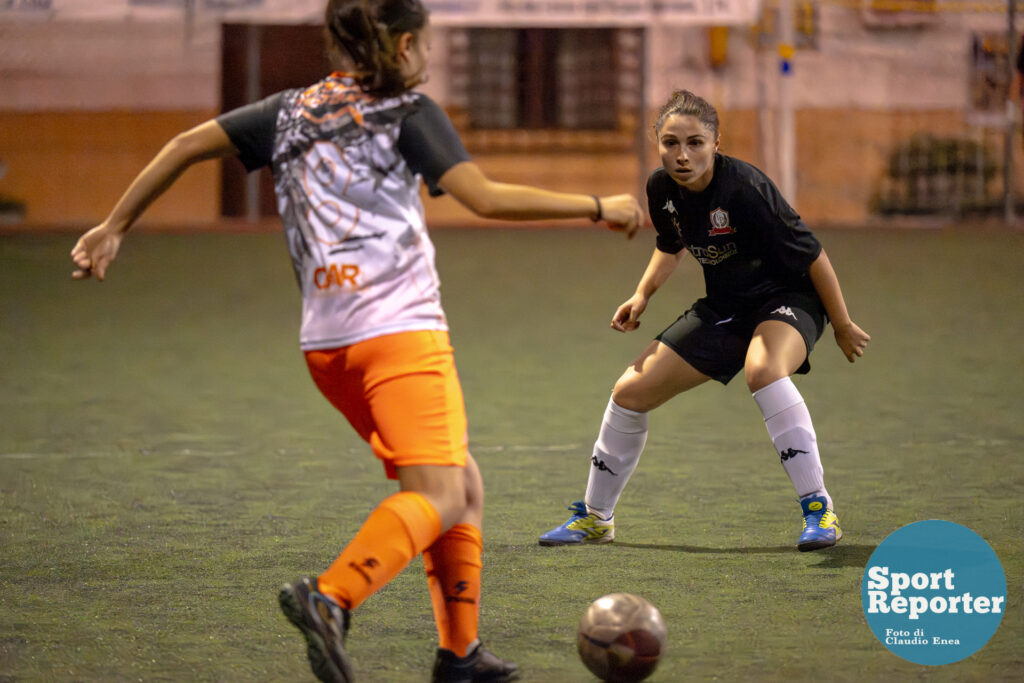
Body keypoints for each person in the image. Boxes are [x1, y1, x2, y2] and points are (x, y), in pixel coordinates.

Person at [70, 1, 643, 680]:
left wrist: (114, 225)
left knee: (462, 480)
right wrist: (597, 207)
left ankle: (460, 654)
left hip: (327, 345)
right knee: (442, 495)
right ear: (403, 45)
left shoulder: (288, 110)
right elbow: (481, 197)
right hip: (399, 335)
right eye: (425, 45)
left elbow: (183, 145)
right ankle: (332, 594)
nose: (427, 58)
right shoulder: (407, 109)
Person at [538, 90, 869, 553]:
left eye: (695, 143)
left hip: (789, 299)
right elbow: (670, 246)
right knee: (629, 392)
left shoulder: (745, 189)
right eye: (670, 143)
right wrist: (641, 294)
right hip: (727, 306)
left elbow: (813, 255)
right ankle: (596, 519)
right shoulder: (661, 190)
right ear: (657, 143)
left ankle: (819, 510)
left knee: (763, 369)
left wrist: (841, 324)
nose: (682, 155)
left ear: (717, 143)